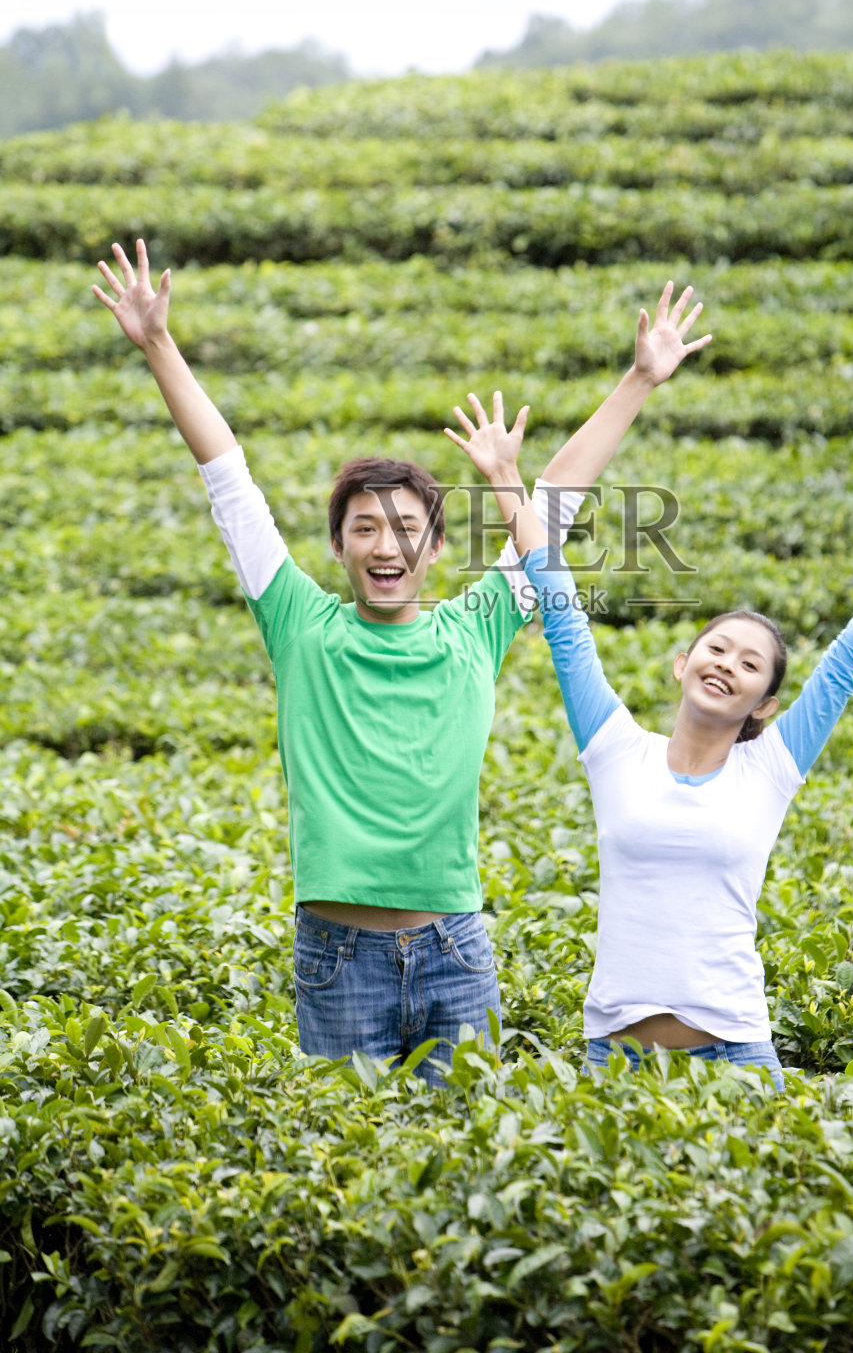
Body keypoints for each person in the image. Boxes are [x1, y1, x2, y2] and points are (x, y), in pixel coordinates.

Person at [92, 241, 708, 1079]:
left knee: (467, 1177)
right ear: (339, 547)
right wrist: (159, 346)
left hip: (456, 948)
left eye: (406, 527)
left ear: (437, 544)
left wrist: (638, 380)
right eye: (365, 529)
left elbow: (556, 502)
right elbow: (228, 478)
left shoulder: (474, 628)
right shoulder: (300, 623)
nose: (387, 545)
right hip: (337, 956)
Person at [448, 378, 853, 1089]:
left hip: (734, 1056)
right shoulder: (614, 747)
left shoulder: (771, 766)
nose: (726, 664)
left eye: (749, 664)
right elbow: (558, 605)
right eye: (716, 649)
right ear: (681, 665)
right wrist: (509, 481)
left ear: (764, 703)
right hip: (614, 1057)